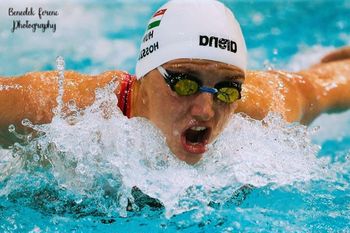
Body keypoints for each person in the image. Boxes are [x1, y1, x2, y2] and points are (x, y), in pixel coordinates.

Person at [0, 0, 349, 164]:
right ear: (143, 79)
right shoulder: (62, 109)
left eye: (226, 89)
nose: (205, 109)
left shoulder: (261, 108)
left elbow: (323, 85)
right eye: (184, 83)